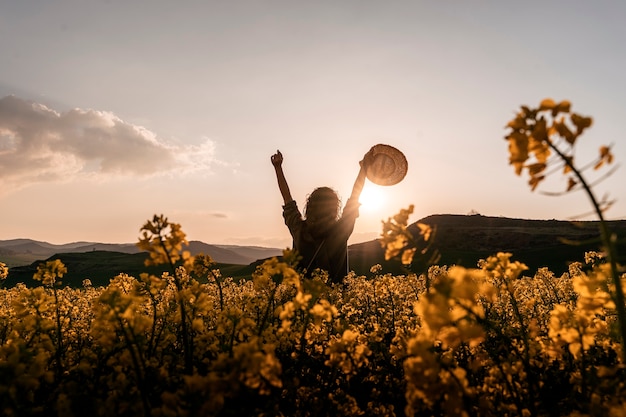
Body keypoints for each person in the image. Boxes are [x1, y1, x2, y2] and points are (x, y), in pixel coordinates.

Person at [271, 149, 373, 283]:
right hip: (336, 301)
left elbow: (287, 199)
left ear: (309, 206)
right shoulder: (341, 231)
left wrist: (278, 168)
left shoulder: (299, 229)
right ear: (335, 208)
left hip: (302, 300)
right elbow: (355, 196)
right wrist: (363, 170)